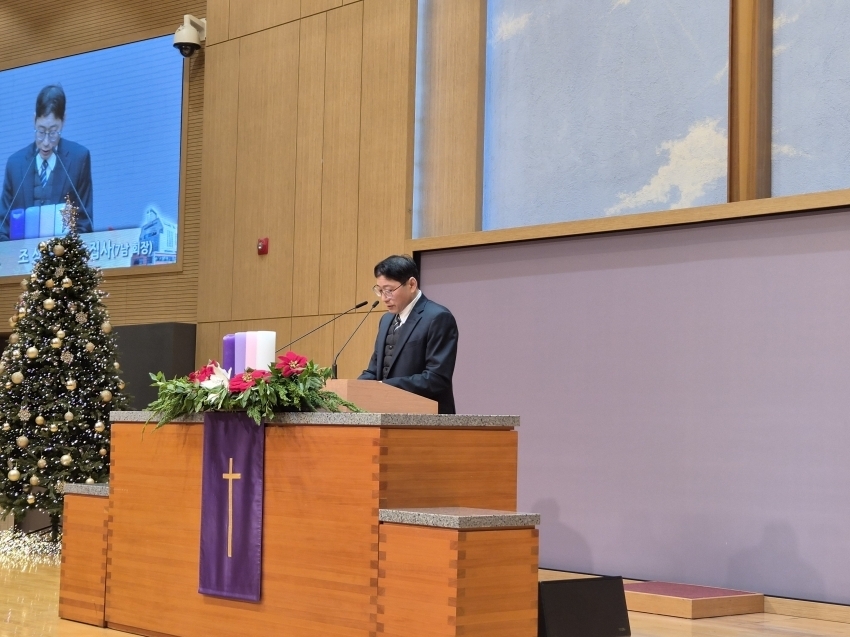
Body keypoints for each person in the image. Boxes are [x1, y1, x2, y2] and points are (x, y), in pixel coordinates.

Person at [359, 255, 459, 414]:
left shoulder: (438, 317)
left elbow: (436, 378)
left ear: (411, 284)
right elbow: (373, 371)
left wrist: (384, 386)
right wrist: (351, 390)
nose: (384, 298)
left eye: (389, 290)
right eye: (380, 291)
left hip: (427, 418)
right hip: (387, 415)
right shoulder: (386, 320)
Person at [0, 84, 93, 241]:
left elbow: (84, 225)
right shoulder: (15, 164)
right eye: (41, 131)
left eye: (53, 132)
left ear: (63, 120)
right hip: (21, 254)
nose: (46, 142)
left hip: (63, 254)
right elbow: (3, 228)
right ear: (34, 120)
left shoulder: (79, 159)